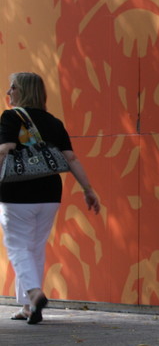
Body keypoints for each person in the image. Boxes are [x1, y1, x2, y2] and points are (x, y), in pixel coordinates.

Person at [0, 72, 100, 324]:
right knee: (34, 247)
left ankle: (34, 294)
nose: (8, 92)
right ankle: (28, 306)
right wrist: (88, 189)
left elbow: (4, 151)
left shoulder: (11, 117)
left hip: (16, 193)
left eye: (12, 87)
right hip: (49, 194)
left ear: (21, 91)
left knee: (18, 246)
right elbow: (72, 158)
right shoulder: (53, 122)